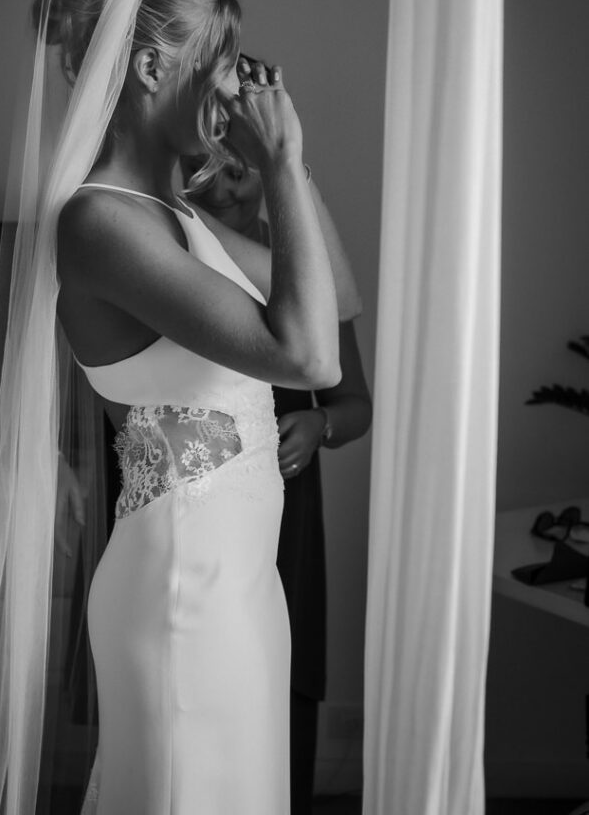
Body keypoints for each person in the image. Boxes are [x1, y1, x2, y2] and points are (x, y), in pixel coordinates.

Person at [0, 0, 340, 815]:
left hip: (239, 584)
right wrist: (275, 160)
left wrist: (288, 167)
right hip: (180, 593)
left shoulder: (174, 216)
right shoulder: (100, 224)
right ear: (155, 69)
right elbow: (309, 354)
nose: (238, 83)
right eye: (223, 57)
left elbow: (329, 293)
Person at [181, 141, 372, 814]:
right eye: (203, 173)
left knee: (280, 674)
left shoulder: (307, 262)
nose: (227, 191)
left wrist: (319, 427)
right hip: (195, 494)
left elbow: (355, 405)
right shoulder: (169, 256)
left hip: (287, 505)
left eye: (238, 172)